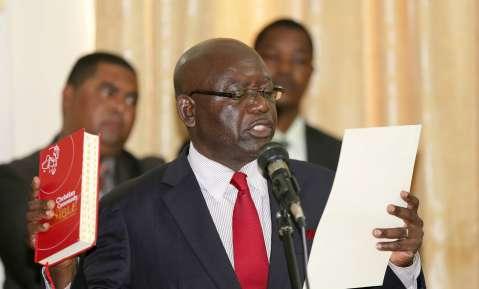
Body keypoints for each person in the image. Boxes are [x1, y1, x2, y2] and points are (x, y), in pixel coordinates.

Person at [27, 39, 425, 289]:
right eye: (237, 93)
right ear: (188, 110)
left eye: (266, 91)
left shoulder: (324, 190)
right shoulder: (128, 211)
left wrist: (401, 263)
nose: (259, 104)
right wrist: (62, 276)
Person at [0, 52, 164, 289]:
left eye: (131, 100)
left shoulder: (149, 174)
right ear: (68, 97)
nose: (120, 107)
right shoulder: (17, 179)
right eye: (109, 92)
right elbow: (31, 276)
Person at [254, 19, 342, 171]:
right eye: (273, 57)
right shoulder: (227, 148)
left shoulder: (340, 155)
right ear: (251, 65)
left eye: (298, 60)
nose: (285, 69)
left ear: (310, 72)